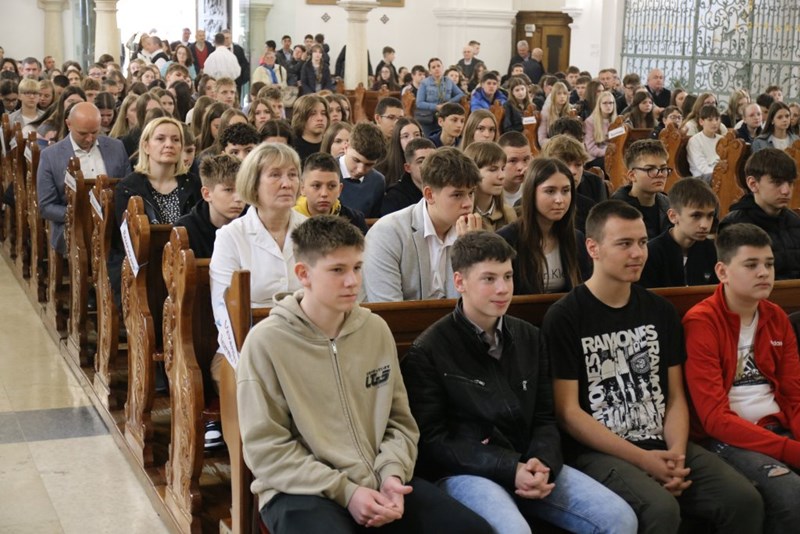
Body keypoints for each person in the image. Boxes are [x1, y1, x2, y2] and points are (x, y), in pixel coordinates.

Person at [236, 215, 493, 534]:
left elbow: (400, 421)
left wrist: (392, 474)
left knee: (472, 530)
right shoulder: (266, 342)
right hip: (300, 490)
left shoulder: (374, 329)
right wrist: (347, 492)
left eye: (357, 267)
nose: (352, 281)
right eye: (337, 270)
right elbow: (266, 449)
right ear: (303, 274)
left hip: (378, 478)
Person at [542, 199, 765, 534]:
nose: (638, 253)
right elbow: (568, 412)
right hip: (598, 451)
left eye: (643, 242)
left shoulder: (660, 311)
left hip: (663, 441)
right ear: (593, 248)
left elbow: (674, 396)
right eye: (624, 244)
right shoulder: (565, 316)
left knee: (743, 500)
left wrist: (675, 456)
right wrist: (643, 459)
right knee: (660, 509)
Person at [402, 231, 638, 534]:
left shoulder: (530, 336)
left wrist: (542, 462)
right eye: (489, 279)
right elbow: (434, 441)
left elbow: (544, 418)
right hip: (466, 473)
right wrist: (509, 467)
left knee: (619, 518)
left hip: (530, 462)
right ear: (460, 282)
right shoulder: (429, 350)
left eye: (508, 276)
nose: (502, 289)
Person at [683, 223, 800, 533]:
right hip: (727, 439)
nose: (764, 273)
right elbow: (714, 419)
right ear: (722, 272)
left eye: (769, 264)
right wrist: (790, 450)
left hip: (778, 426)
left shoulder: (776, 317)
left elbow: (794, 396)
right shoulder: (702, 322)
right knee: (792, 497)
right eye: (751, 265)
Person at [363, 147, 482, 302]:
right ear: (429, 195)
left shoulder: (473, 233)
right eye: (457, 195)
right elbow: (387, 309)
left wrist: (469, 252)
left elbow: (479, 304)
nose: (468, 204)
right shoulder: (387, 233)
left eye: (471, 193)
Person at [37, 102, 131, 255]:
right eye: (83, 133)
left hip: (113, 223)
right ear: (69, 124)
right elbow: (46, 206)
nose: (89, 139)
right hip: (73, 226)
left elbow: (129, 190)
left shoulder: (116, 147)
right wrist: (80, 215)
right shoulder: (51, 156)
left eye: (95, 132)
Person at [498, 157, 588, 294]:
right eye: (550, 191)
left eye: (565, 191)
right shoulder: (506, 240)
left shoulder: (577, 238)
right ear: (531, 193)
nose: (559, 200)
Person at [719, 148, 800, 280]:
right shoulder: (734, 225)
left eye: (790, 183)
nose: (786, 191)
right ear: (753, 184)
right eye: (777, 182)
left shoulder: (795, 221)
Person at [639, 178, 718, 288]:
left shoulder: (712, 251)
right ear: (673, 216)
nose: (705, 225)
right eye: (696, 216)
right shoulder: (651, 254)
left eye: (710, 216)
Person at [175, 153, 244, 260]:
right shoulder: (186, 229)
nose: (238, 198)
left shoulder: (255, 222)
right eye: (228, 190)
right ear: (207, 194)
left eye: (242, 189)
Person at [541, 134, 606, 234]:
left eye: (578, 165)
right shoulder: (529, 205)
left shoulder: (589, 207)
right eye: (565, 164)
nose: (573, 171)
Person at [611, 139, 671, 239]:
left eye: (663, 168)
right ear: (632, 175)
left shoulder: (667, 203)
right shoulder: (617, 209)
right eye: (650, 169)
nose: (660, 174)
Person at [294, 152, 367, 233]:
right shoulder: (290, 220)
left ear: (339, 189)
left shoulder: (354, 220)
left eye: (332, 186)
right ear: (302, 188)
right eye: (316, 186)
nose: (324, 193)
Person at [463, 142, 516, 231]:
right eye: (493, 169)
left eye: (503, 169)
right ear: (473, 172)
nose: (502, 176)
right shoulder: (462, 215)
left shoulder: (508, 213)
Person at [338, 122, 387, 218]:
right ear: (346, 147)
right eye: (356, 160)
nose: (361, 170)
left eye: (369, 165)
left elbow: (375, 220)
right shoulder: (324, 170)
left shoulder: (378, 181)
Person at [380, 137, 435, 216]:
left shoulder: (446, 190)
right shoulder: (395, 198)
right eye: (421, 161)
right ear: (408, 168)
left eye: (433, 160)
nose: (429, 166)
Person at [414, 57, 464, 136]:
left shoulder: (448, 81)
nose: (436, 69)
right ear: (430, 71)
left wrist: (449, 103)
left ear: (442, 67)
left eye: (438, 66)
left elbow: (460, 94)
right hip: (429, 118)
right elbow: (419, 103)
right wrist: (436, 107)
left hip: (445, 115)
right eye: (433, 67)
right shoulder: (424, 83)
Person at [375, 117, 422, 189]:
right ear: (397, 140)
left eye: (417, 135)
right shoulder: (382, 170)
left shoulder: (430, 163)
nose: (413, 139)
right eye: (406, 136)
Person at [686, 104, 723, 182]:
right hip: (701, 178)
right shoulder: (695, 141)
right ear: (701, 121)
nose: (715, 123)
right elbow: (702, 167)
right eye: (710, 120)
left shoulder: (721, 139)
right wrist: (719, 174)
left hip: (719, 173)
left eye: (717, 119)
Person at [498, 131, 532, 210]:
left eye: (526, 159)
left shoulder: (537, 188)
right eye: (513, 161)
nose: (521, 167)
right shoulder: (490, 192)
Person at [290, 94, 329, 163]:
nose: (320, 118)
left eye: (323, 113)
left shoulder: (331, 144)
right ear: (300, 117)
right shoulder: (291, 147)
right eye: (313, 114)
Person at [584, 91, 617, 170]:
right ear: (599, 105)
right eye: (605, 103)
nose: (608, 106)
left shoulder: (616, 120)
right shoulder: (590, 121)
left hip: (613, 154)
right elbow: (591, 149)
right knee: (613, 163)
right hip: (594, 158)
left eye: (611, 103)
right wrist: (608, 152)